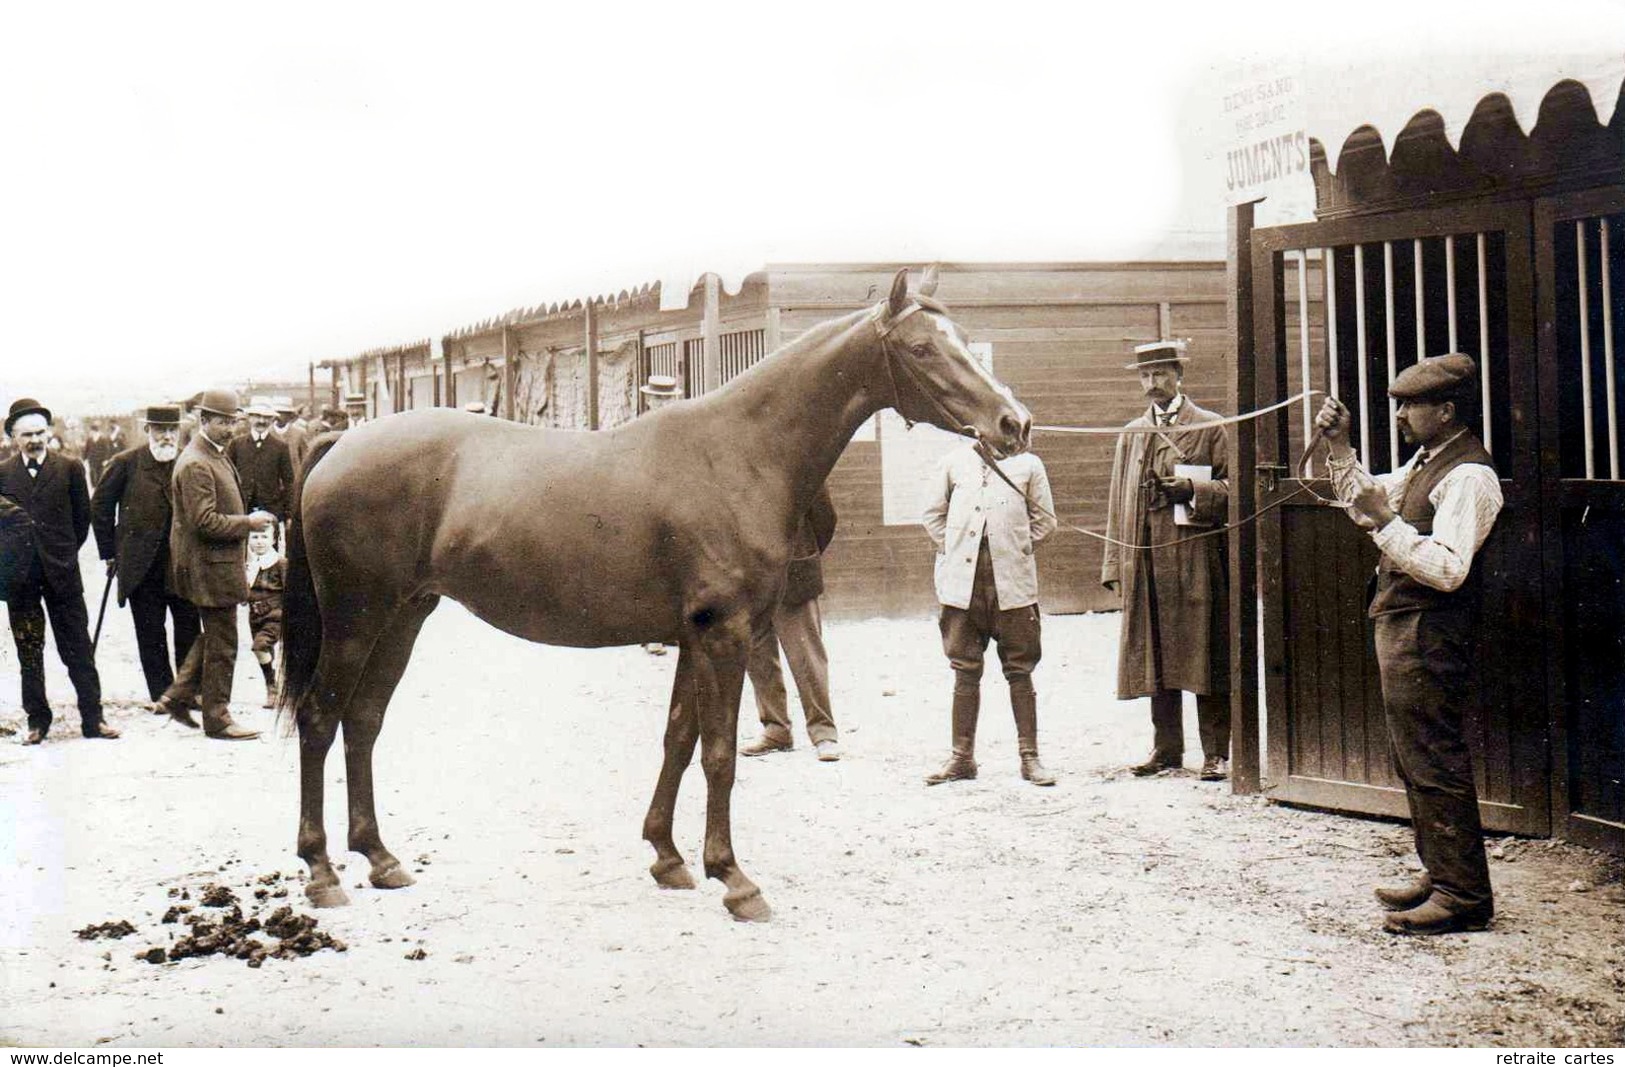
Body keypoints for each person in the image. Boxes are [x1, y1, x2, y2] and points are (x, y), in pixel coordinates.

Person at [1314, 353, 1502, 937]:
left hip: (1430, 628)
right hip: (1405, 622)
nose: (1399, 414)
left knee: (1433, 756)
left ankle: (1463, 895)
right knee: (1413, 755)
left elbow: (1448, 569)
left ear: (1445, 412)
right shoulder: (1428, 460)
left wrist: (1386, 524)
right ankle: (1442, 873)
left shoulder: (1468, 475)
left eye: (1409, 405)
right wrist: (1341, 450)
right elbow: (1366, 501)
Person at [1100, 340, 1232, 781]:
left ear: (1178, 375)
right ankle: (1167, 749)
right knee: (1156, 654)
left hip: (1196, 559)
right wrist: (1116, 564)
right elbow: (1119, 501)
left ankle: (1216, 752)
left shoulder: (1211, 427)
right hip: (1149, 562)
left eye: (1160, 374)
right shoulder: (1132, 433)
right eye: (1145, 376)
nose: (1151, 383)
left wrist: (1193, 491)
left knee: (1204, 653)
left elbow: (1237, 490)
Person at [921, 438, 1057, 786]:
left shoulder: (1029, 465)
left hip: (1011, 584)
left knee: (1020, 667)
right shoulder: (953, 462)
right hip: (962, 585)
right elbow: (933, 516)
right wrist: (958, 550)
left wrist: (1012, 549)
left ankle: (1030, 758)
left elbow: (1045, 521)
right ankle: (962, 757)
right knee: (964, 669)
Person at [153, 389, 275, 741]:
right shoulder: (196, 462)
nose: (231, 428)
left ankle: (177, 696)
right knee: (224, 642)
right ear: (204, 421)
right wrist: (248, 524)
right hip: (210, 566)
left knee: (213, 636)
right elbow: (204, 522)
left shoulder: (213, 454)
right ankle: (218, 718)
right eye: (223, 422)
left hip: (218, 564)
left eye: (234, 421)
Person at [0, 398, 117, 743]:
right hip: (20, 579)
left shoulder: (69, 468)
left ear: (50, 433)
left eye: (40, 432)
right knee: (29, 651)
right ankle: (37, 721)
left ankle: (93, 720)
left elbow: (83, 521)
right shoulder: (3, 473)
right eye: (26, 435)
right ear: (12, 437)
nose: (35, 440)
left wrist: (60, 552)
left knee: (77, 647)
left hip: (62, 575)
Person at [90, 405, 200, 703]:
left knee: (189, 626)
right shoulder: (125, 463)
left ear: (179, 431)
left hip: (181, 563)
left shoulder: (189, 462)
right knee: (150, 631)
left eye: (172, 430)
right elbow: (100, 507)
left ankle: (190, 690)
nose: (167, 436)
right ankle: (163, 693)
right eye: (160, 430)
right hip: (142, 565)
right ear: (148, 430)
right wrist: (110, 552)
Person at [739, 485, 842, 762]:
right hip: (750, 574)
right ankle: (775, 729)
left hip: (793, 570)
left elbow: (825, 518)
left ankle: (824, 734)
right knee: (757, 654)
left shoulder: (800, 454)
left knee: (806, 656)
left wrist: (805, 553)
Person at [226, 404, 295, 521]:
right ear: (249, 418)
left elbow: (289, 481)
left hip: (271, 509)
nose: (261, 421)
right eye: (257, 416)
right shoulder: (237, 444)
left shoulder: (280, 447)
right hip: (242, 508)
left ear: (272, 420)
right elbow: (227, 476)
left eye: (266, 417)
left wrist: (288, 513)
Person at [244, 525, 284, 709]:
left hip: (274, 615)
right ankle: (273, 691)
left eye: (264, 537)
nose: (259, 542)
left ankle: (272, 686)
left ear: (274, 539)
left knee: (260, 646)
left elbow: (290, 591)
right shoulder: (249, 565)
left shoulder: (280, 563)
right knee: (266, 652)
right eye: (255, 537)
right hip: (254, 616)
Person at [275, 404, 310, 471]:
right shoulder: (267, 432)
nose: (278, 416)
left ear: (289, 415)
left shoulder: (299, 433)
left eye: (283, 413)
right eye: (277, 413)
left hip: (293, 475)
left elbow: (305, 456)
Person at [82, 421, 113, 486]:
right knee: (92, 472)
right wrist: (84, 458)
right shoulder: (89, 439)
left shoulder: (103, 439)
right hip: (92, 459)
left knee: (99, 472)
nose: (91, 433)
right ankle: (93, 485)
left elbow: (107, 449)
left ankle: (99, 485)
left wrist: (106, 459)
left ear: (95, 431)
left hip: (100, 459)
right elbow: (86, 449)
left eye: (92, 431)